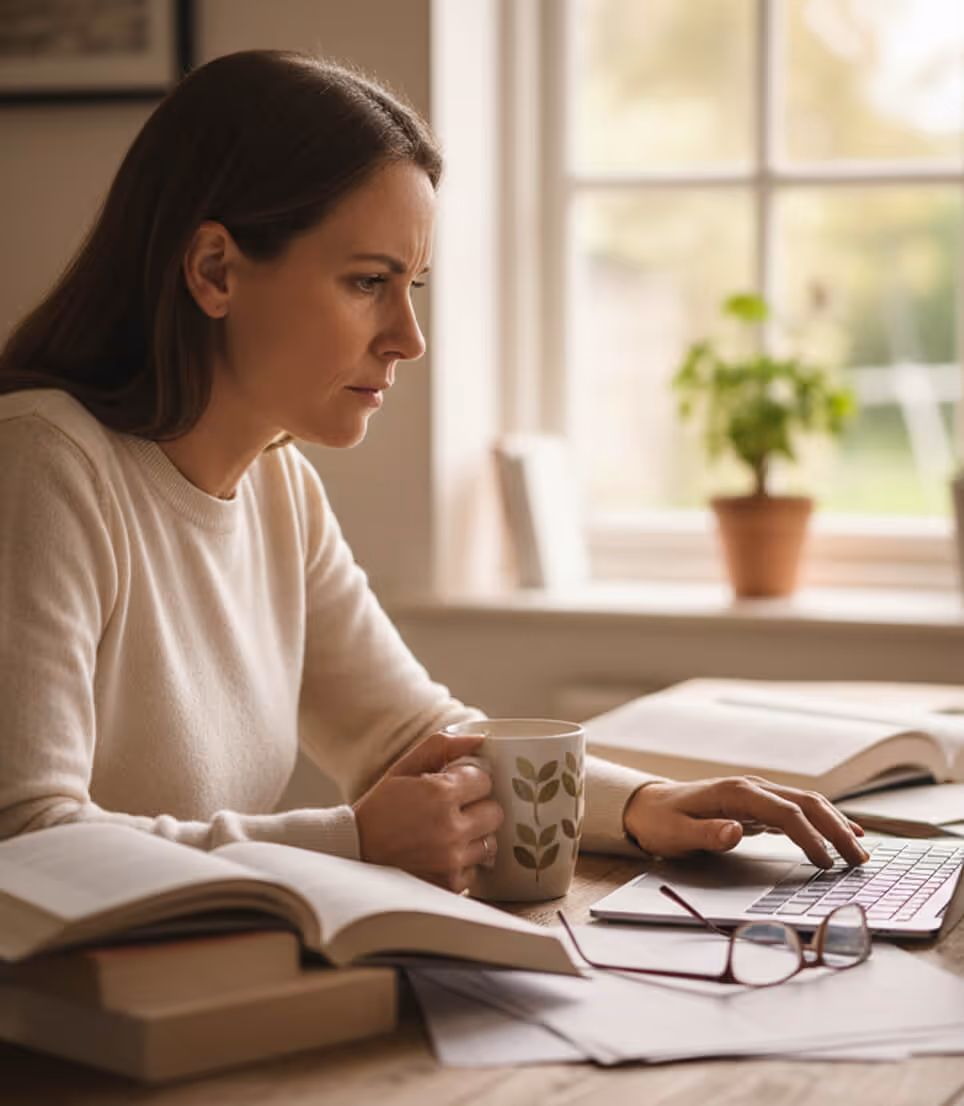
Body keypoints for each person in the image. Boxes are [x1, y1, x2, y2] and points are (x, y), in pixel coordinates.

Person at [0, 50, 868, 893]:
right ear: (214, 270)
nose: (406, 339)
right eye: (368, 281)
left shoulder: (279, 486)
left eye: (411, 285)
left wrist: (645, 803)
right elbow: (29, 837)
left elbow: (410, 734)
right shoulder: (41, 465)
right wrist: (352, 841)